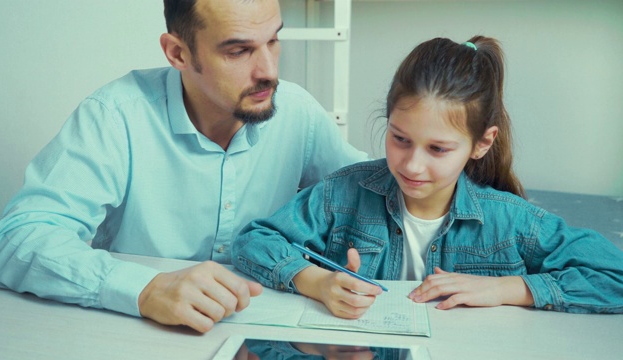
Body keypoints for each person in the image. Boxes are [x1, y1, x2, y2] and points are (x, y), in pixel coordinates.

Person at [0, 0, 367, 333]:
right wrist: (146, 289)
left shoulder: (297, 111)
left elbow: (382, 192)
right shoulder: (115, 117)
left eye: (273, 40)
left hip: (270, 336)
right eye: (238, 51)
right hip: (138, 337)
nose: (268, 71)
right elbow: (16, 242)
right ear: (178, 53)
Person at [232, 36, 623, 318]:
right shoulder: (342, 193)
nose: (412, 166)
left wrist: (506, 288)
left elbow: (613, 275)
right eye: (399, 139)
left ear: (482, 143)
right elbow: (254, 240)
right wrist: (315, 281)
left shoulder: (512, 221)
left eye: (438, 149)